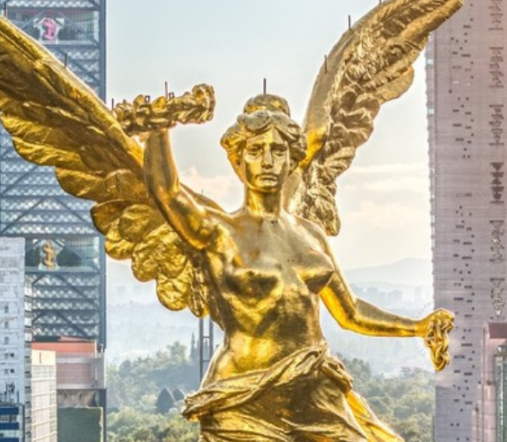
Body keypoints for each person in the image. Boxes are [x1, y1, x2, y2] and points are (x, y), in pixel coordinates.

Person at [142, 93, 452, 442]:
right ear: (238, 161)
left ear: (292, 159)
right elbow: (166, 194)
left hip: (314, 389)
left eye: (278, 151)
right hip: (243, 395)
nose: (268, 162)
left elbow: (350, 313)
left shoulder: (311, 235)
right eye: (256, 151)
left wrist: (417, 327)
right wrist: (159, 128)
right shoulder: (219, 232)